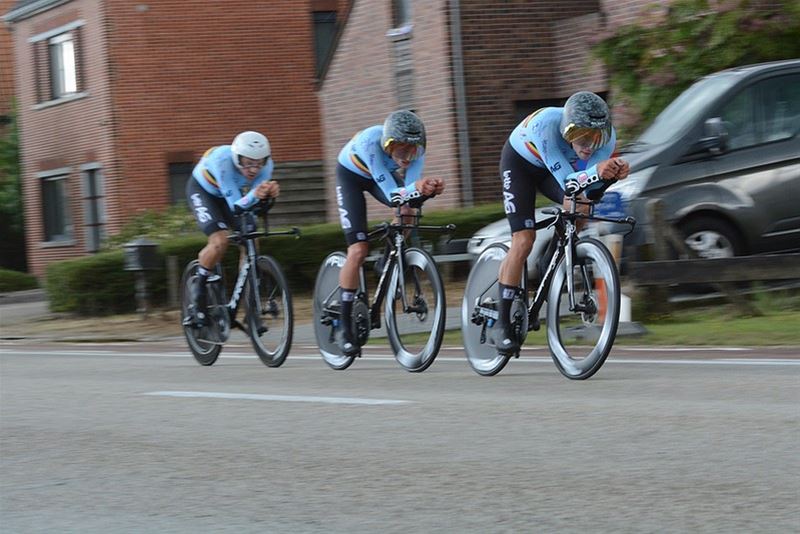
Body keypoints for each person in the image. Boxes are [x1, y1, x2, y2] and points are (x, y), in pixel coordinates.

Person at [493, 91, 629, 354]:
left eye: (596, 137)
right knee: (524, 240)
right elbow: (569, 184)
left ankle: (551, 258)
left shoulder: (608, 138)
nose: (589, 144)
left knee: (582, 207)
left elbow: (590, 190)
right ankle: (502, 323)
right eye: (581, 135)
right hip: (520, 164)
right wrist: (597, 172)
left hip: (551, 170)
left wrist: (610, 176)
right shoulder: (545, 125)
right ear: (567, 129)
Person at [334, 109, 445, 356]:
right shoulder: (371, 144)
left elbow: (409, 194)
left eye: (413, 150)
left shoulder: (417, 152)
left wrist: (426, 189)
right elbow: (393, 193)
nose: (407, 157)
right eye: (401, 149)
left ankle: (386, 260)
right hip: (351, 176)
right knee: (358, 250)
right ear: (388, 144)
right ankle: (344, 325)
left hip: (376, 176)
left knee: (408, 211)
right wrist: (415, 188)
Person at [185, 131, 280, 325]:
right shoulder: (223, 162)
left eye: (259, 163)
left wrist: (268, 195)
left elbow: (254, 203)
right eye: (247, 163)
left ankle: (249, 302)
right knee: (219, 240)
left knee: (252, 238)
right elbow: (236, 206)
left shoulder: (267, 167)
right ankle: (199, 291)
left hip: (231, 196)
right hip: (204, 192)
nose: (253, 169)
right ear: (237, 158)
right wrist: (257, 193)